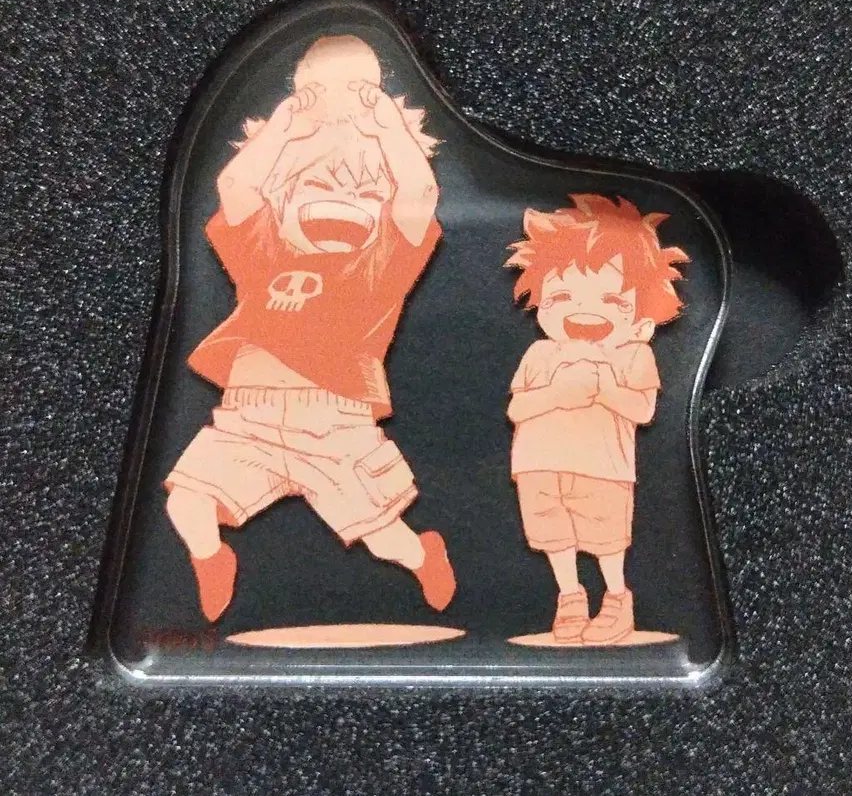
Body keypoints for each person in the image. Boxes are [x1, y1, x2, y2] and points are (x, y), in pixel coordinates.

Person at [164, 35, 456, 622]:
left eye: (366, 194)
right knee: (186, 503)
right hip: (247, 420)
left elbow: (419, 193)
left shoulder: (380, 265)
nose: (343, 202)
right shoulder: (263, 252)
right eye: (319, 187)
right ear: (284, 197)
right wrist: (284, 131)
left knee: (382, 536)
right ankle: (212, 558)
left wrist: (388, 130)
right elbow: (235, 188)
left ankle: (422, 555)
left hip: (335, 425)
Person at [505, 194, 689, 644]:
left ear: (643, 314)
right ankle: (570, 596)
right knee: (554, 535)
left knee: (606, 538)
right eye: (563, 295)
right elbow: (516, 408)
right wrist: (557, 394)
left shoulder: (634, 355)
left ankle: (616, 597)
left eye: (611, 299)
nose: (584, 312)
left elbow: (643, 410)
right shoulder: (540, 352)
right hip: (538, 464)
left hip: (603, 467)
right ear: (542, 303)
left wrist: (604, 388)